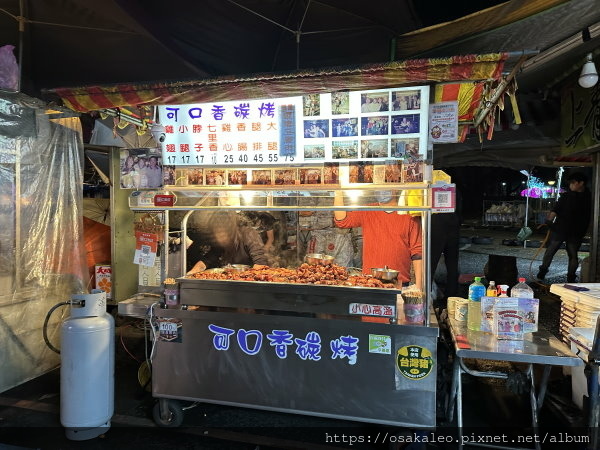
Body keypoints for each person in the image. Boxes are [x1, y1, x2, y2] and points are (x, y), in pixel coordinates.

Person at [334, 190, 422, 288]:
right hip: (369, 281)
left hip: (399, 282)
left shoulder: (409, 214)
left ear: (396, 188)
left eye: (385, 186)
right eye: (378, 186)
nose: (381, 190)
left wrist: (419, 286)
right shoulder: (368, 210)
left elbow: (418, 253)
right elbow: (342, 220)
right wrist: (338, 192)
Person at [536, 172, 592, 283]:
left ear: (581, 183)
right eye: (570, 183)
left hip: (575, 230)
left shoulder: (589, 198)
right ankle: (542, 271)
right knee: (552, 250)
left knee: (572, 254)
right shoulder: (567, 196)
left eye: (573, 183)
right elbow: (556, 209)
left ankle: (570, 276)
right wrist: (549, 221)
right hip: (562, 228)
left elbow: (556, 210)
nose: (571, 185)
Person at [186, 211, 268, 274]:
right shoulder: (219, 243)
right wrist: (191, 273)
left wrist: (245, 277)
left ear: (230, 231)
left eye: (223, 234)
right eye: (217, 233)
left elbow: (260, 264)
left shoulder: (249, 234)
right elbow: (207, 260)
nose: (220, 238)